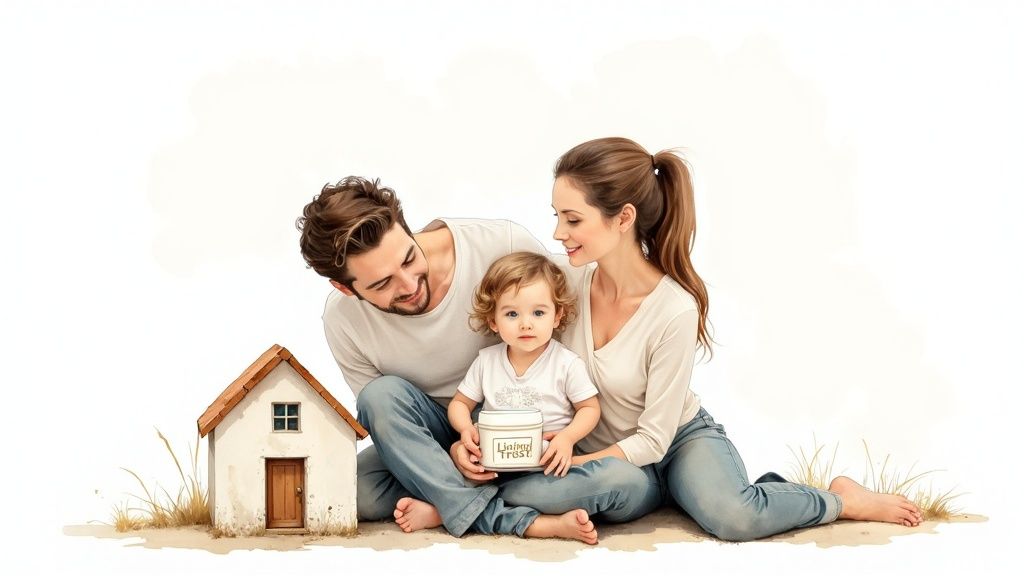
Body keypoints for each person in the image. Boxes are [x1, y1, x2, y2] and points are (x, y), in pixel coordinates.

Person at [452, 137, 924, 540]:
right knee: (558, 481)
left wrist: (576, 462)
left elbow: (655, 438)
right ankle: (678, 493)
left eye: (573, 220)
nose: (558, 233)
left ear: (623, 218)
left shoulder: (672, 308)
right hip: (616, 463)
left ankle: (837, 499)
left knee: (734, 516)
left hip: (675, 439)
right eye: (556, 217)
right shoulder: (562, 290)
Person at [296, 176, 652, 544]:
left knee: (623, 484)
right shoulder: (343, 321)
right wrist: (453, 449)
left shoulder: (499, 244)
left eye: (408, 258)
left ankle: (448, 503)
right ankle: (509, 516)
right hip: (432, 439)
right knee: (357, 482)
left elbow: (566, 310)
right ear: (344, 287)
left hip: (520, 426)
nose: (409, 284)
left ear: (406, 228)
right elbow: (387, 421)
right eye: (382, 284)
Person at [449, 251, 600, 478]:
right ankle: (506, 503)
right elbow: (459, 404)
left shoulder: (566, 363)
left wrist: (567, 438)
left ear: (557, 316)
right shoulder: (486, 361)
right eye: (512, 314)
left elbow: (589, 409)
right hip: (493, 463)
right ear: (493, 321)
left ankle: (501, 506)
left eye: (538, 312)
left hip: (545, 465)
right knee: (462, 475)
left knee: (582, 481)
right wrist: (465, 429)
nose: (526, 324)